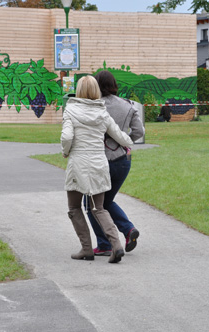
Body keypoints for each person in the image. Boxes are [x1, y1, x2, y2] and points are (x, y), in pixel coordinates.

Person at [61, 75, 134, 264]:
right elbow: (119, 135)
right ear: (95, 91)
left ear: (78, 90)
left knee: (75, 207)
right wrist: (128, 144)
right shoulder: (102, 112)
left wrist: (65, 151)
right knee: (98, 208)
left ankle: (86, 249)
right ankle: (116, 245)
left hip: (78, 162)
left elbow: (67, 136)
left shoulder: (71, 109)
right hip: (99, 163)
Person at [85, 70, 144, 257]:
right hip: (122, 160)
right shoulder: (128, 105)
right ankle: (127, 230)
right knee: (106, 201)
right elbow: (139, 131)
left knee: (93, 204)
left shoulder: (94, 106)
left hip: (99, 159)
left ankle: (104, 244)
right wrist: (124, 141)